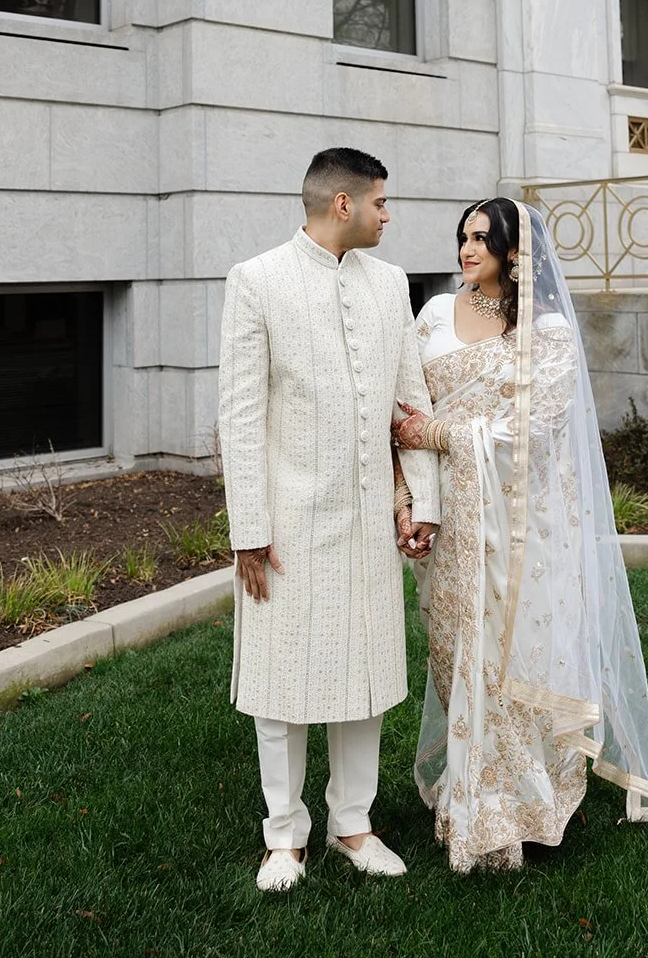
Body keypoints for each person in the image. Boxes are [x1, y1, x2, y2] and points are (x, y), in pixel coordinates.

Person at [391, 196, 648, 873]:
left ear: (515, 253)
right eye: (462, 236)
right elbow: (401, 411)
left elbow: (532, 432)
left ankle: (505, 809)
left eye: (482, 239)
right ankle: (468, 787)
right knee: (452, 652)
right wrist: (410, 500)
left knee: (505, 663)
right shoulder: (431, 314)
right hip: (448, 520)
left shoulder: (545, 333)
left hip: (518, 528)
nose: (466, 250)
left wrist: (433, 433)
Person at [217, 147, 440, 892]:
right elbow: (240, 417)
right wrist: (248, 526)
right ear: (342, 204)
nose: (388, 213)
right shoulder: (256, 281)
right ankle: (283, 837)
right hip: (285, 527)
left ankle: (354, 824)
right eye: (381, 201)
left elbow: (411, 406)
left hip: (373, 521)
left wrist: (422, 505)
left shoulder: (390, 284)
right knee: (282, 684)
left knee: (366, 677)